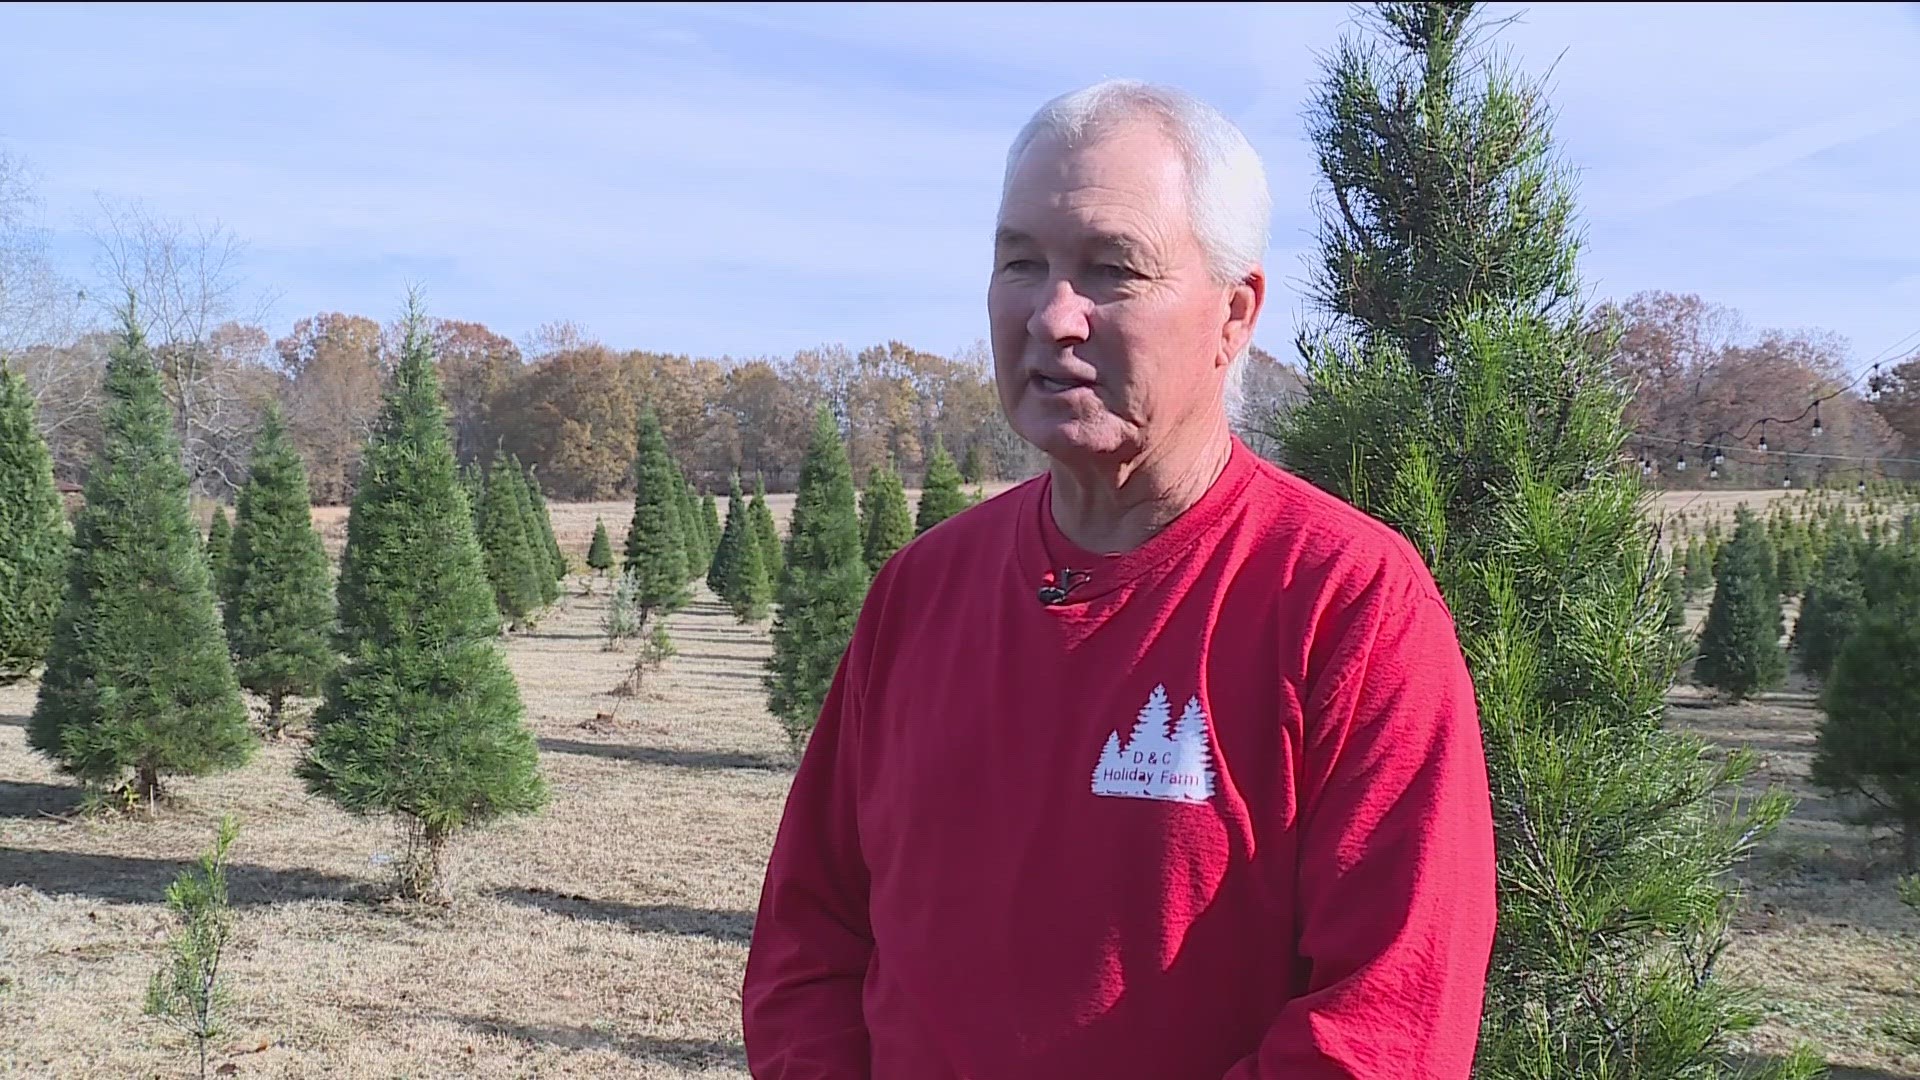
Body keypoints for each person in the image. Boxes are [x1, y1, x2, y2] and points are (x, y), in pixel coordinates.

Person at [741, 78, 1497, 1079]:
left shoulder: (1348, 603)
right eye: (1022, 262)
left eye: (1111, 269)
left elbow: (1385, 1025)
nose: (1054, 315)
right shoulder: (922, 592)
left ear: (1234, 314)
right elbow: (810, 937)